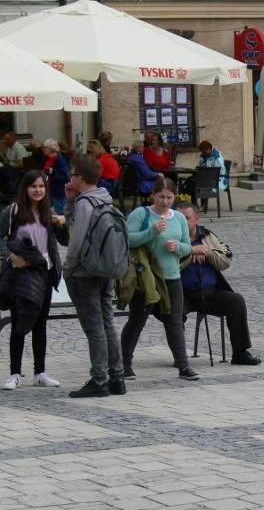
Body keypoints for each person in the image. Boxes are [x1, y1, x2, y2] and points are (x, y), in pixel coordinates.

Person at [121, 178, 198, 381]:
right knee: (138, 320)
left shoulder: (179, 218)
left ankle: (183, 365)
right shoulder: (141, 214)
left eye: (169, 197)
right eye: (161, 197)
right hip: (146, 276)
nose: (165, 202)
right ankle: (124, 363)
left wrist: (178, 247)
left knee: (174, 321)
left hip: (172, 276)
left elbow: (187, 246)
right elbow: (127, 240)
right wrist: (151, 232)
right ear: (153, 196)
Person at [61, 154, 126, 398]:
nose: (69, 178)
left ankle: (99, 379)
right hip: (103, 269)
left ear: (80, 177)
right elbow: (73, 223)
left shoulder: (86, 203)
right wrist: (69, 201)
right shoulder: (103, 199)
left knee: (94, 327)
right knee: (107, 322)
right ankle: (116, 377)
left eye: (71, 174)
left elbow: (75, 239)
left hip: (84, 273)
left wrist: (67, 269)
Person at [0, 170, 68, 390]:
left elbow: (64, 241)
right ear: (25, 189)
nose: (38, 190)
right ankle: (15, 373)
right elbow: (1, 238)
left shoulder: (49, 211)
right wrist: (12, 257)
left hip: (45, 272)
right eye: (33, 187)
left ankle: (40, 372)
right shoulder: (13, 211)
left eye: (41, 186)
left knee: (40, 324)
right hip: (20, 273)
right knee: (19, 323)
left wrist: (62, 222)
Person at [177, 202, 261, 365]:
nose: (184, 223)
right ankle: (179, 356)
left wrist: (208, 252)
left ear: (196, 219)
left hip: (210, 293)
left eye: (187, 218)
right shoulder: (172, 239)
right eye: (180, 219)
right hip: (183, 293)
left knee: (236, 301)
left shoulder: (208, 236)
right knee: (175, 311)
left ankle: (240, 352)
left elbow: (227, 259)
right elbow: (170, 265)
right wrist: (191, 254)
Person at [180, 141, 228, 210]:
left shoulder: (217, 156)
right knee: (189, 181)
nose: (204, 153)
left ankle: (197, 204)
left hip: (217, 180)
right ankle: (195, 203)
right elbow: (199, 166)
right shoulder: (203, 156)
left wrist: (207, 173)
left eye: (205, 151)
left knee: (194, 184)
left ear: (209, 149)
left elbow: (220, 170)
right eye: (202, 152)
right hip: (205, 177)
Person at [41, 139, 70, 214]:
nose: (43, 149)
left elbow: (64, 176)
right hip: (48, 189)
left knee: (61, 212)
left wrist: (53, 173)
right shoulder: (47, 158)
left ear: (51, 149)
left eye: (45, 147)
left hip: (57, 191)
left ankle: (64, 225)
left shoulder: (59, 160)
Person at [1, 132, 28, 196]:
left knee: (3, 171)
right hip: (11, 168)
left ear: (12, 140)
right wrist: (5, 160)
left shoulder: (19, 148)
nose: (3, 141)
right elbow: (9, 159)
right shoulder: (9, 147)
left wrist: (10, 166)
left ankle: (12, 190)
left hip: (19, 170)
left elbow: (21, 164)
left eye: (6, 139)